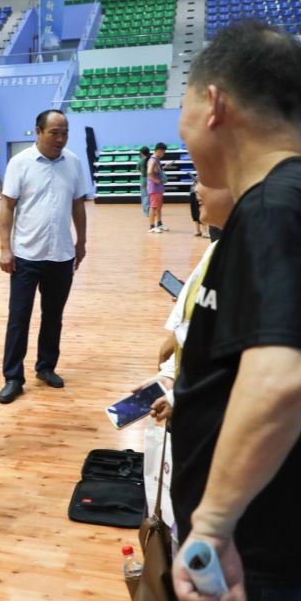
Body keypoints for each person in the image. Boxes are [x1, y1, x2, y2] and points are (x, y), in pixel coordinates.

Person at [172, 20, 301, 601]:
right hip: (282, 528)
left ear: (213, 104)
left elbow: (282, 377)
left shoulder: (275, 208)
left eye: (183, 107)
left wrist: (212, 528)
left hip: (247, 549)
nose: (181, 128)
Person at [0, 109, 89, 404]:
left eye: (65, 133)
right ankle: (13, 377)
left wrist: (81, 242)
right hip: (26, 255)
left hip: (61, 255)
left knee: (53, 316)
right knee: (18, 317)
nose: (60, 139)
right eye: (54, 133)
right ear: (38, 132)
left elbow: (78, 205)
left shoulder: (73, 163)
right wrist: (5, 248)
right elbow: (7, 207)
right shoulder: (20, 163)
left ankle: (46, 367)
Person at [133, 181, 235, 423]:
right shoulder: (215, 251)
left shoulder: (252, 263)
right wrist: (170, 375)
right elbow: (193, 334)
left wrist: (181, 397)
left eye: (205, 180)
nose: (196, 189)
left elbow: (237, 361)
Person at [147, 142, 169, 233]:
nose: (163, 154)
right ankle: (151, 226)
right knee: (153, 207)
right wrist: (156, 180)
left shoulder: (157, 160)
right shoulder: (153, 160)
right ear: (159, 151)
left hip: (158, 187)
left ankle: (159, 224)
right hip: (154, 187)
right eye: (163, 152)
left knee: (159, 206)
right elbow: (149, 172)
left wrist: (164, 167)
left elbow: (156, 171)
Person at [138, 145, 151, 218]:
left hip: (143, 180)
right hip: (151, 179)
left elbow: (138, 170)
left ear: (142, 153)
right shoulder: (151, 160)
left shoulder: (140, 161)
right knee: (151, 195)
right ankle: (153, 210)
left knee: (145, 196)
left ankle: (146, 212)